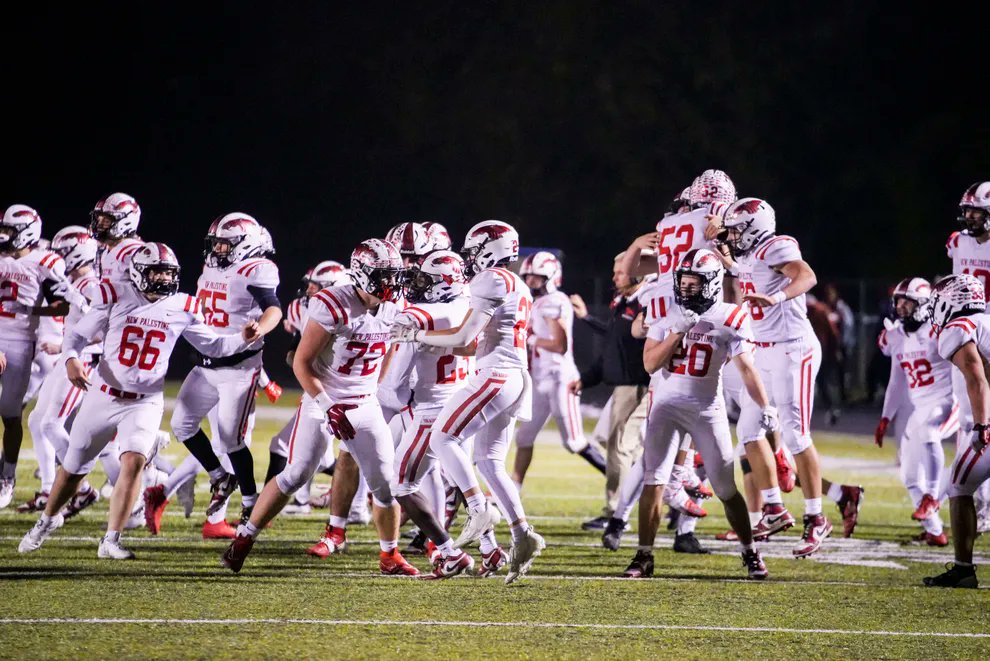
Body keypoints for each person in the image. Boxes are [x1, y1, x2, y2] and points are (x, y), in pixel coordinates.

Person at [18, 242, 259, 558]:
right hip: (102, 397)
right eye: (155, 271)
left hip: (145, 401)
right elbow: (76, 334)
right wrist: (71, 359)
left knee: (133, 463)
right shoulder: (115, 295)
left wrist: (241, 339)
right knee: (73, 470)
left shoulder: (183, 306)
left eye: (167, 272)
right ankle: (47, 521)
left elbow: (212, 346)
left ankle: (111, 540)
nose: (162, 278)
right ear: (137, 272)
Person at [221, 238, 419, 577]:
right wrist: (328, 404)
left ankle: (389, 556)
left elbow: (388, 351)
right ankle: (244, 537)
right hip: (321, 400)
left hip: (363, 403)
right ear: (364, 274)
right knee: (297, 473)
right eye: (385, 276)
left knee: (385, 484)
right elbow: (302, 362)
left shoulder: (395, 305)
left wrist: (370, 391)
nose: (392, 283)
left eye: (393, 275)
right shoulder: (333, 302)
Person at [391, 220, 546, 584]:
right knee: (490, 462)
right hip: (516, 376)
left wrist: (415, 333)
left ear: (491, 249)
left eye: (475, 250)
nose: (470, 258)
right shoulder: (518, 283)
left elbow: (465, 335)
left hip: (495, 375)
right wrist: (428, 338)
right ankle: (523, 534)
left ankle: (479, 509)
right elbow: (467, 342)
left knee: (443, 438)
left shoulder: (491, 279)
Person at [622, 248, 773, 580]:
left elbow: (747, 369)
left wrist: (765, 407)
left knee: (725, 488)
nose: (686, 289)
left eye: (694, 283)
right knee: (654, 480)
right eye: (683, 282)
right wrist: (676, 331)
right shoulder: (665, 308)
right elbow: (649, 363)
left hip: (707, 409)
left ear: (713, 284)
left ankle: (750, 552)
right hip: (664, 406)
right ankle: (644, 556)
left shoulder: (731, 316)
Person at [147, 214, 282, 535]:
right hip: (206, 365)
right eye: (217, 242)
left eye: (226, 242)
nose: (219, 248)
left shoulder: (258, 268)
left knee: (231, 439)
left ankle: (250, 502)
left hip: (239, 367)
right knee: (181, 424)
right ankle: (221, 477)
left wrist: (259, 328)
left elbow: (274, 308)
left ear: (245, 244)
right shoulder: (212, 266)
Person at [568, 256, 651, 530]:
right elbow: (612, 343)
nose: (615, 278)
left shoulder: (646, 302)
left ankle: (616, 513)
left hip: (637, 384)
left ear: (637, 276)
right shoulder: (623, 302)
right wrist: (587, 379)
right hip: (623, 385)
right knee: (614, 442)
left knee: (620, 449)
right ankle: (672, 492)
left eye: (620, 273)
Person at [513, 251, 606, 485]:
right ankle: (512, 489)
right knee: (523, 437)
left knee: (573, 441)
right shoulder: (537, 302)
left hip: (559, 379)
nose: (531, 281)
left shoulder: (554, 301)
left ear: (552, 276)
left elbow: (559, 345)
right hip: (539, 379)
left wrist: (529, 338)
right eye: (528, 276)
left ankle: (623, 480)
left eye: (537, 277)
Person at [875, 278, 954, 546]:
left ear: (922, 304)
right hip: (921, 407)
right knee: (908, 475)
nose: (899, 307)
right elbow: (897, 381)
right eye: (897, 301)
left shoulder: (939, 331)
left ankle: (933, 495)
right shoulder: (898, 337)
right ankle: (934, 530)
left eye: (905, 301)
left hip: (948, 401)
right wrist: (886, 417)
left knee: (930, 432)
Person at [0, 205, 70, 508]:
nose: (3, 235)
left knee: (11, 415)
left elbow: (62, 306)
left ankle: (8, 476)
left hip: (20, 343)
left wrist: (29, 310)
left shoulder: (44, 262)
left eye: (9, 230)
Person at [923, 274, 990, 588]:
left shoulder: (958, 328)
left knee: (959, 486)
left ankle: (963, 569)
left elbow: (977, 377)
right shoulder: (984, 323)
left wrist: (981, 424)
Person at [945, 181, 990, 531]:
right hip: (966, 327)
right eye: (969, 209)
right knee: (967, 413)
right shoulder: (957, 242)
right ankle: (978, 497)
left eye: (977, 210)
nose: (969, 216)